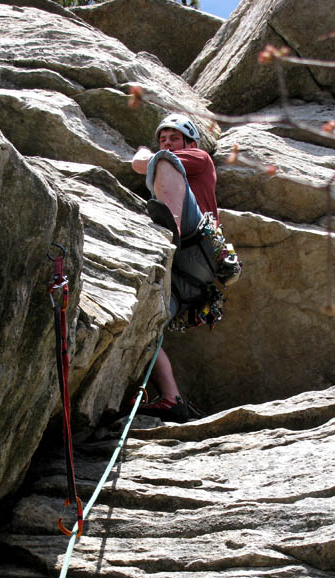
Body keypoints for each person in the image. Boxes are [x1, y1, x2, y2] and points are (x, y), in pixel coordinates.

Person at [130, 113, 220, 423]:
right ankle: (172, 399)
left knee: (164, 162)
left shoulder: (199, 157)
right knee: (144, 325)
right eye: (163, 139)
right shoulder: (171, 165)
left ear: (190, 143)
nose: (167, 144)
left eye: (174, 138)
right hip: (187, 279)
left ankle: (172, 231)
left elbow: (143, 163)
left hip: (197, 245)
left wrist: (148, 151)